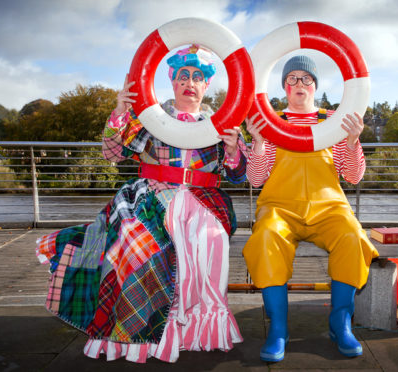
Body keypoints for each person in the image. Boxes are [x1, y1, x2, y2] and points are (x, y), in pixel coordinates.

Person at [36, 45, 247, 363]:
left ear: (206, 85)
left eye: (198, 77)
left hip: (205, 201)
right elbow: (111, 153)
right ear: (173, 82)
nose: (190, 82)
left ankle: (199, 331)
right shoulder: (152, 119)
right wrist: (120, 112)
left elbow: (237, 175)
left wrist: (233, 151)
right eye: (183, 76)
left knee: (211, 242)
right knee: (136, 244)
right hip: (153, 196)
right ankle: (137, 335)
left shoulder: (224, 124)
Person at [243, 55, 379, 362]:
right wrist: (260, 143)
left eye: (306, 78)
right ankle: (278, 328)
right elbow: (255, 178)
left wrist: (353, 140)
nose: (299, 84)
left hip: (329, 208)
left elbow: (353, 176)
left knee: (353, 237)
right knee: (265, 238)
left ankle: (340, 323)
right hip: (279, 208)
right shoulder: (271, 120)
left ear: (315, 85)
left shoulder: (335, 120)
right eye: (292, 78)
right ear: (284, 86)